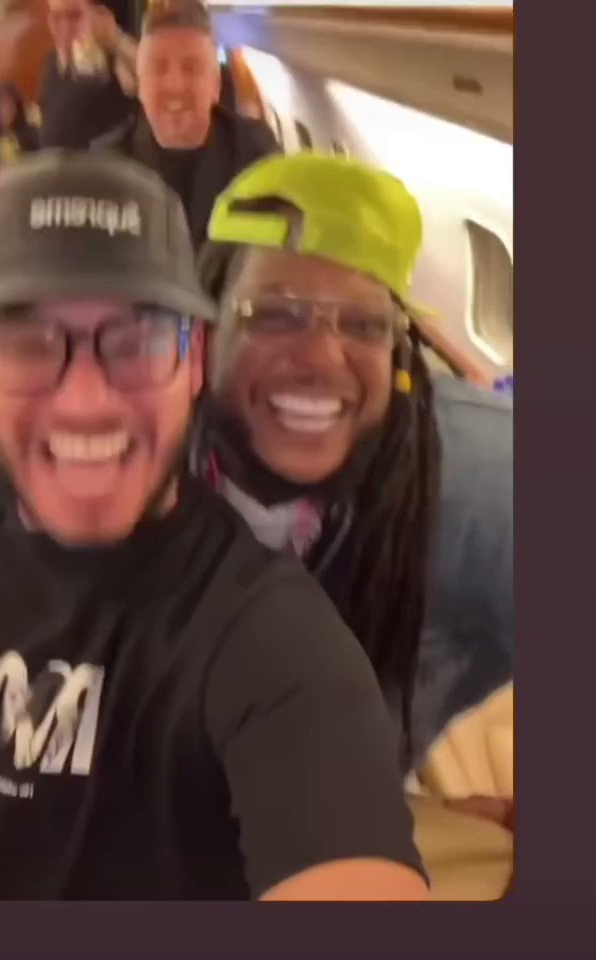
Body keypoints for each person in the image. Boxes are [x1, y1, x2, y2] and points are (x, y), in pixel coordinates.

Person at [0, 150, 428, 901]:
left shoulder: (273, 635)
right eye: (25, 342)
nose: (86, 401)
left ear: (194, 361)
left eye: (139, 340)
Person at [194, 152, 514, 782]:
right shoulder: (128, 445)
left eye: (365, 324)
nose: (321, 357)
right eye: (274, 314)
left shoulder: (486, 483)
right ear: (205, 326)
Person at [91, 0, 280, 250]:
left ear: (215, 86)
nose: (175, 85)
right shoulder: (105, 165)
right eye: (159, 68)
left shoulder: (256, 155)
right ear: (141, 85)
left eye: (191, 68)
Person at [39, 0, 137, 149]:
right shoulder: (52, 61)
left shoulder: (122, 62)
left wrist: (113, 41)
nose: (64, 29)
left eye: (74, 16)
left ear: (102, 17)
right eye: (56, 18)